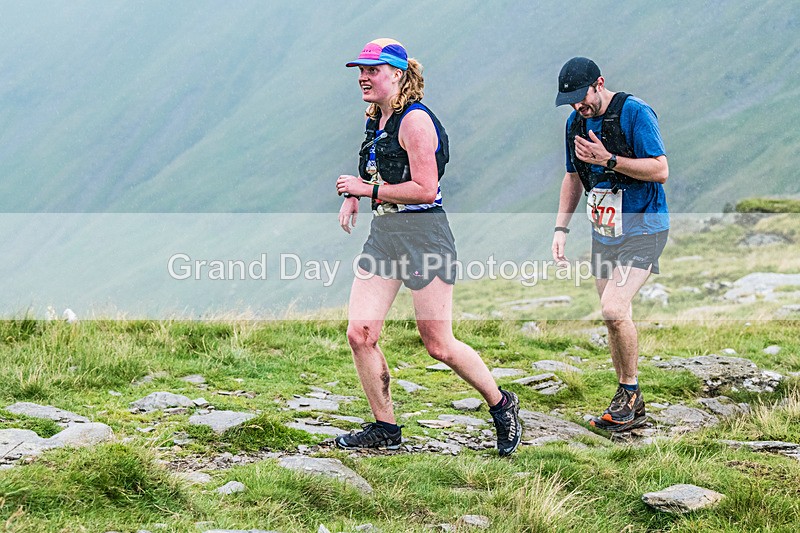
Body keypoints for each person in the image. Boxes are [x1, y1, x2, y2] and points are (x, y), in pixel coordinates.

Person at [335, 38, 521, 456]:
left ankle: (501, 403)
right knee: (360, 333)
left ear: (398, 75)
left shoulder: (415, 121)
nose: (363, 77)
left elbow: (425, 189)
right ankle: (386, 428)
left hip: (425, 235)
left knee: (438, 343)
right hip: (385, 236)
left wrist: (366, 190)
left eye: (373, 70)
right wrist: (355, 194)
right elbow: (375, 166)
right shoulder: (377, 117)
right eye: (360, 70)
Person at [551, 57, 669, 432]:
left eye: (580, 97)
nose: (576, 106)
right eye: (568, 100)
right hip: (604, 229)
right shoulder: (575, 122)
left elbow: (661, 170)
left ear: (599, 83)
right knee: (614, 316)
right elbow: (572, 177)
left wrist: (610, 159)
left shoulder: (635, 112)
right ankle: (629, 402)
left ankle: (629, 394)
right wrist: (560, 229)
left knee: (613, 307)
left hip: (645, 226)